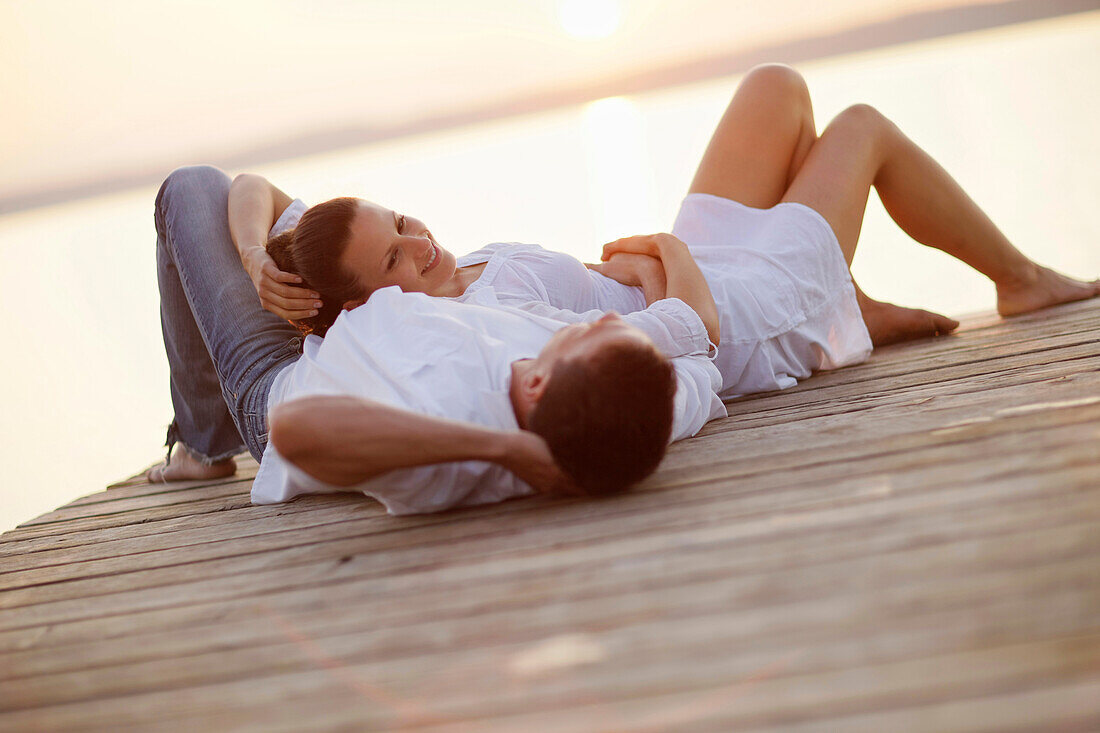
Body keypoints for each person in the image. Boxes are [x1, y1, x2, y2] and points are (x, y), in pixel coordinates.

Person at [244, 64, 1098, 403]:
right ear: (362, 305)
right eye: (394, 256)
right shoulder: (473, 324)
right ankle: (1015, 277)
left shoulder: (452, 275)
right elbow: (663, 340)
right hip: (739, 309)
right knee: (861, 127)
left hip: (691, 262)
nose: (418, 243)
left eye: (401, 220)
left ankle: (852, 304)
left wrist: (255, 257)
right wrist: (663, 263)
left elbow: (244, 187)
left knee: (776, 89)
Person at [147, 164, 725, 510]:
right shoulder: (543, 342)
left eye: (400, 241)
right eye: (398, 230)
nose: (597, 325)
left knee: (189, 187)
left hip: (276, 389)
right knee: (232, 200)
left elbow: (293, 429)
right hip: (328, 330)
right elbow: (696, 341)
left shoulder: (454, 432)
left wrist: (507, 449)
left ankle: (203, 444)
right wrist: (255, 262)